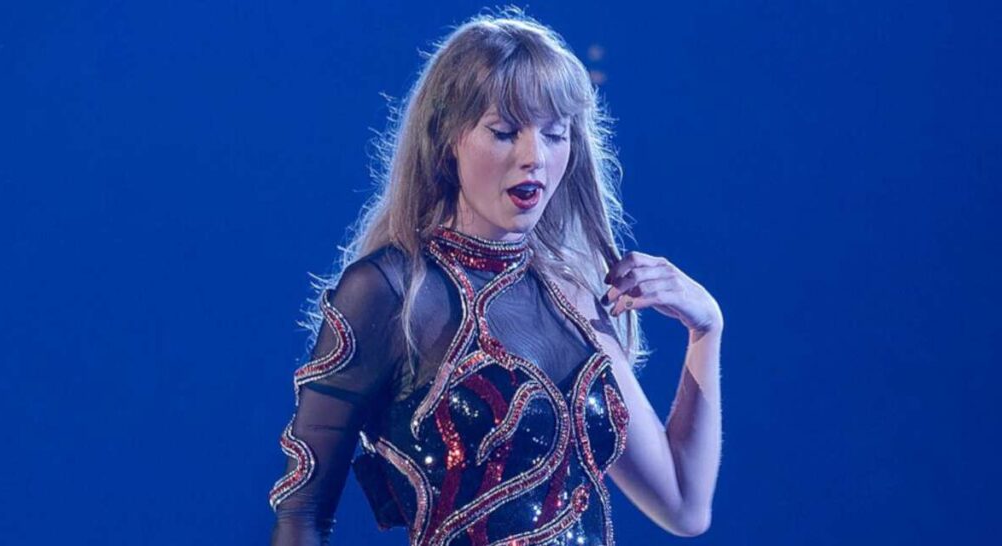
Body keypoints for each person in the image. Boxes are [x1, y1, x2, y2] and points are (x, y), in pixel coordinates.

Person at [269, 8, 724, 545]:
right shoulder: (389, 292)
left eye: (554, 134)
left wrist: (706, 329)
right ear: (446, 139)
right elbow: (302, 516)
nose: (535, 157)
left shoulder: (575, 297)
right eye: (505, 132)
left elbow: (684, 505)